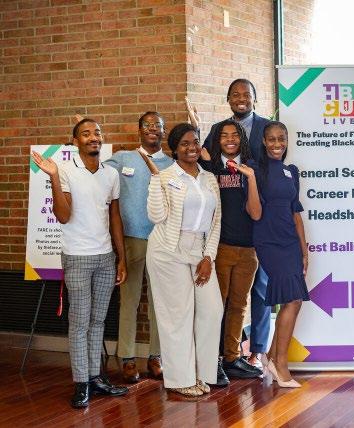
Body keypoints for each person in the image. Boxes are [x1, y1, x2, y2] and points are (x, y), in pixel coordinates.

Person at [32, 119, 129, 408]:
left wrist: (121, 258)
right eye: (85, 134)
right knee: (79, 323)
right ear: (76, 142)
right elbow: (63, 216)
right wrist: (53, 178)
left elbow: (115, 217)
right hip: (76, 257)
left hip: (105, 258)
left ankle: (95, 377)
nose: (93, 137)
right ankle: (81, 384)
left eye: (97, 132)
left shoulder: (111, 174)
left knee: (98, 321)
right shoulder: (64, 170)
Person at [141, 123, 223, 397]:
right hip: (167, 251)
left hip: (200, 249)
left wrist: (209, 256)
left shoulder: (209, 178)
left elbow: (216, 222)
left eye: (195, 142)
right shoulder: (164, 177)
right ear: (175, 149)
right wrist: (155, 180)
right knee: (177, 316)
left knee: (212, 310)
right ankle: (180, 379)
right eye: (185, 143)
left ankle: (201, 373)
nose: (192, 147)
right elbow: (156, 216)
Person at [202, 79, 271, 369]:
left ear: (255, 99)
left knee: (255, 295)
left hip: (256, 235)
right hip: (222, 241)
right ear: (228, 99)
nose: (241, 98)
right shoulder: (216, 139)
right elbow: (201, 159)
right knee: (221, 301)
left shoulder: (266, 131)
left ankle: (253, 351)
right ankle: (217, 356)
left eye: (246, 94)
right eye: (235, 94)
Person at [104, 112, 173, 383]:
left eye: (158, 126)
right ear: (139, 130)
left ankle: (156, 356)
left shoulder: (171, 164)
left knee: (160, 303)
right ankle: (127, 357)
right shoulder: (123, 158)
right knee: (129, 301)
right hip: (131, 240)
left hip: (162, 241)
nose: (153, 129)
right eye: (148, 125)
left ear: (164, 132)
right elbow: (95, 169)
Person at [245, 121, 309, 388]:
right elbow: (255, 213)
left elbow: (296, 213)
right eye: (271, 139)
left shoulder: (291, 171)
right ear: (263, 141)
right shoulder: (255, 169)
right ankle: (280, 364)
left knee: (295, 300)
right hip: (269, 241)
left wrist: (304, 249)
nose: (276, 144)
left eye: (281, 138)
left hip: (290, 242)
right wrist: (250, 179)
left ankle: (272, 357)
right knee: (292, 299)